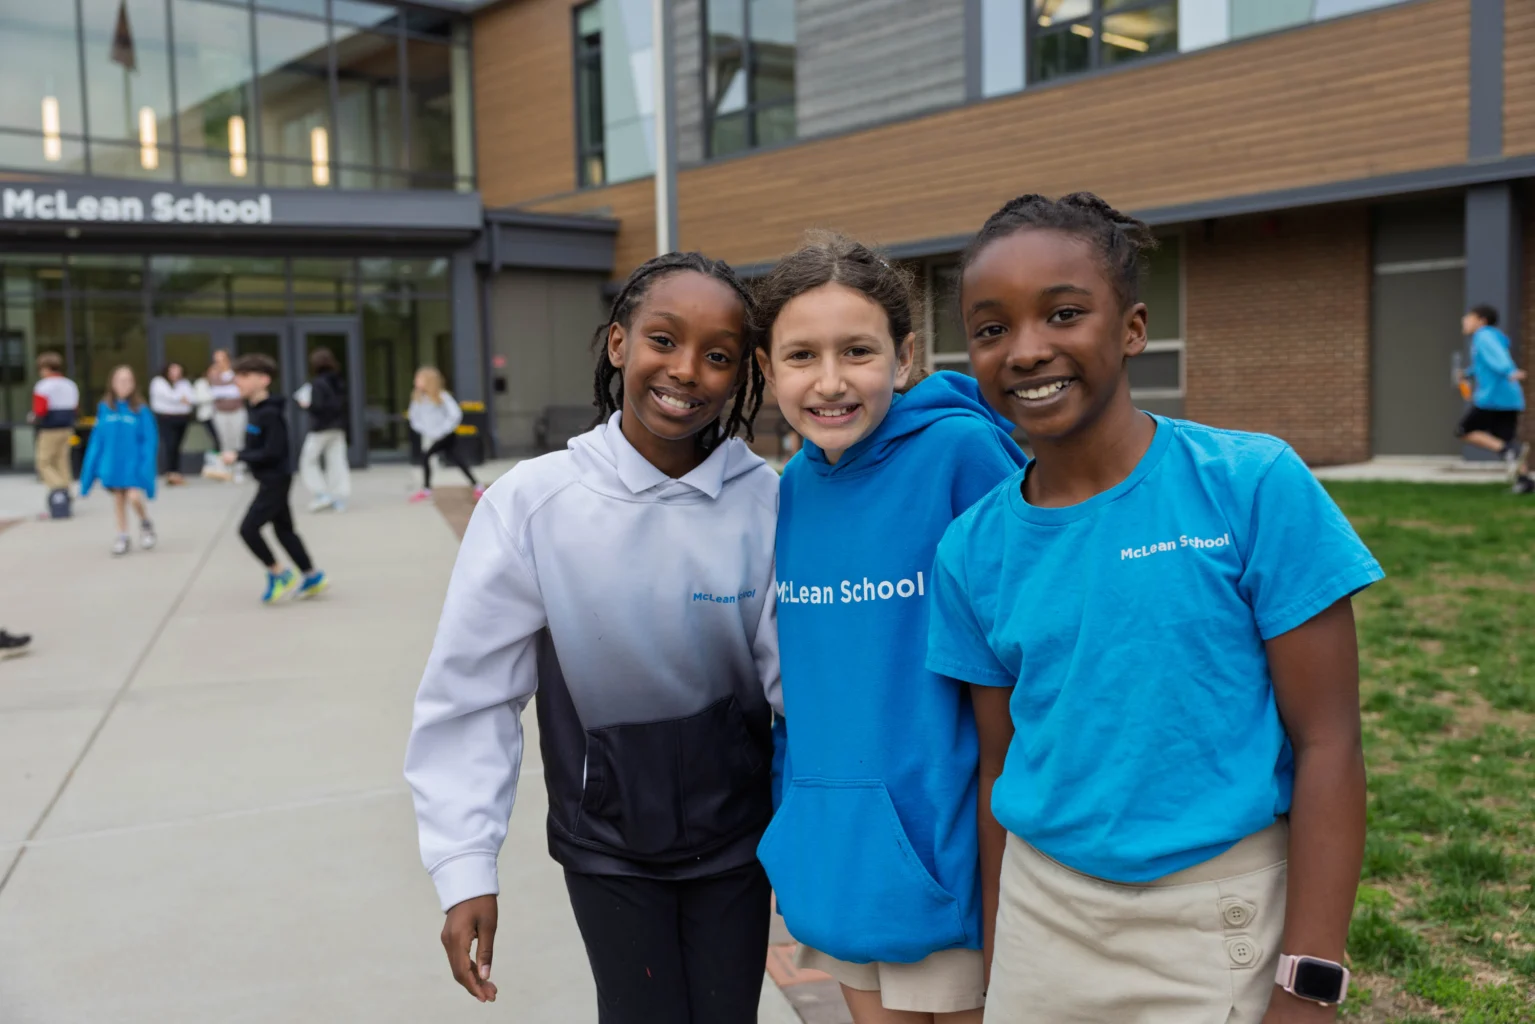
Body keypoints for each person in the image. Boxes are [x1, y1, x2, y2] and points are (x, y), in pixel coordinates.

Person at [928, 193, 1384, 1023]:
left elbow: (1329, 742)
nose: (1026, 350)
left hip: (1215, 923)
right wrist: (1002, 967)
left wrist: (1307, 984)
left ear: (1131, 328)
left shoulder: (1249, 486)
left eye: (1062, 313)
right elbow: (999, 768)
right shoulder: (970, 548)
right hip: (1042, 920)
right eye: (991, 329)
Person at [405, 252, 780, 1024]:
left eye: (717, 356)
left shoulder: (768, 501)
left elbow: (793, 684)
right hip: (607, 843)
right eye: (662, 341)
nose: (685, 371)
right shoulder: (535, 502)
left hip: (740, 841)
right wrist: (464, 864)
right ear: (618, 345)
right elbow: (472, 693)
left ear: (744, 374)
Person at [752, 234, 1026, 1024]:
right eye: (801, 356)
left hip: (948, 854)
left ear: (903, 359)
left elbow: (1024, 649)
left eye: (857, 351)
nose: (830, 381)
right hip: (840, 852)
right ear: (768, 371)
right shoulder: (794, 486)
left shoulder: (962, 454)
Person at [224, 354, 328, 604]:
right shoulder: (257, 410)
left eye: (244, 376)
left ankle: (279, 573)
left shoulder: (270, 414)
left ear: (263, 380)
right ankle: (312, 576)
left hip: (275, 480)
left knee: (248, 529)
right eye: (237, 376)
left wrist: (239, 455)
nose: (238, 381)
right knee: (284, 531)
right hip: (271, 478)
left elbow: (273, 451)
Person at [80, 365, 159, 557]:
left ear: (133, 384)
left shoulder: (140, 410)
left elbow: (149, 441)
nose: (123, 385)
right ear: (112, 383)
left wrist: (146, 466)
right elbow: (98, 440)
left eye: (127, 380)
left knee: (133, 497)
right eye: (119, 380)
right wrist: (89, 474)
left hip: (133, 465)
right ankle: (122, 535)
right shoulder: (105, 408)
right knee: (118, 499)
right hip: (113, 465)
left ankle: (145, 523)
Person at [1456, 304, 1529, 487]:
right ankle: (1525, 482)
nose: (1464, 320)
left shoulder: (1483, 336)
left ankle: (1508, 451)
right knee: (1506, 439)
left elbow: (1498, 359)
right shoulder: (1492, 337)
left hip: (1494, 397)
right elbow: (1486, 363)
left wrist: (1510, 371)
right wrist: (1468, 373)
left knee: (1464, 430)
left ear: (1481, 320)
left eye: (1469, 317)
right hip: (1510, 397)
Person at [407, 368, 482, 502]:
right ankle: (477, 485)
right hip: (432, 436)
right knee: (456, 459)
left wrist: (443, 429)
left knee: (427, 457)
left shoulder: (442, 396)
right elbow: (414, 418)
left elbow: (455, 414)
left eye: (419, 379)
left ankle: (427, 489)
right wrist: (426, 430)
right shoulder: (418, 398)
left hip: (446, 436)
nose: (416, 382)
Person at [297, 348, 351, 513]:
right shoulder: (339, 381)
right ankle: (339, 496)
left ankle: (321, 493)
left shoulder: (318, 383)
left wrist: (307, 405)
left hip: (321, 428)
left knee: (308, 461)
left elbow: (319, 407)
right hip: (338, 427)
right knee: (337, 461)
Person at [30, 352, 79, 512]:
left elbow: (40, 410)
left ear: (46, 368)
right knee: (62, 462)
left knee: (43, 462)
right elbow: (75, 408)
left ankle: (59, 489)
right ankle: (67, 490)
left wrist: (33, 418)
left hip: (50, 428)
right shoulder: (70, 384)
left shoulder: (43, 386)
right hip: (66, 428)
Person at [149, 362, 196, 486]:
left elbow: (191, 398)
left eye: (178, 371)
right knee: (170, 444)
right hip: (166, 418)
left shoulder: (184, 383)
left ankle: (176, 472)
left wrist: (182, 399)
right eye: (173, 370)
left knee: (177, 446)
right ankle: (170, 472)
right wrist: (180, 399)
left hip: (182, 418)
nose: (176, 373)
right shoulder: (158, 382)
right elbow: (168, 397)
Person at [207, 349, 248, 482]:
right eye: (216, 359)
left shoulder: (236, 373)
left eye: (221, 359)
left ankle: (239, 470)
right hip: (220, 412)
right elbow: (214, 391)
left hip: (237, 411)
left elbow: (238, 391)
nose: (218, 362)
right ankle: (227, 470)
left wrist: (227, 389)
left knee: (238, 440)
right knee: (225, 441)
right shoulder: (213, 374)